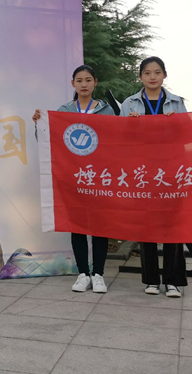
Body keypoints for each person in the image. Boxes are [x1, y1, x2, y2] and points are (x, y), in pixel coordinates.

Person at [33, 64, 115, 294]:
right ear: (73, 84)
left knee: (100, 226)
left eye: (88, 80)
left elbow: (116, 140)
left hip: (99, 176)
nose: (84, 84)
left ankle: (98, 274)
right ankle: (83, 274)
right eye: (79, 80)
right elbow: (49, 140)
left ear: (95, 82)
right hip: (75, 177)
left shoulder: (107, 110)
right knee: (77, 225)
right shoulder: (64, 110)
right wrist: (40, 123)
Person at [120, 56, 188, 298]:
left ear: (164, 75)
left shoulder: (176, 102)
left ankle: (172, 281)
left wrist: (176, 124)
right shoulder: (129, 103)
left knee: (173, 226)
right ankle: (150, 280)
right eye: (147, 73)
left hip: (171, 172)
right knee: (146, 226)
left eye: (157, 72)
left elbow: (190, 134)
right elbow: (118, 138)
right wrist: (129, 126)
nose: (152, 77)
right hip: (143, 173)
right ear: (140, 76)